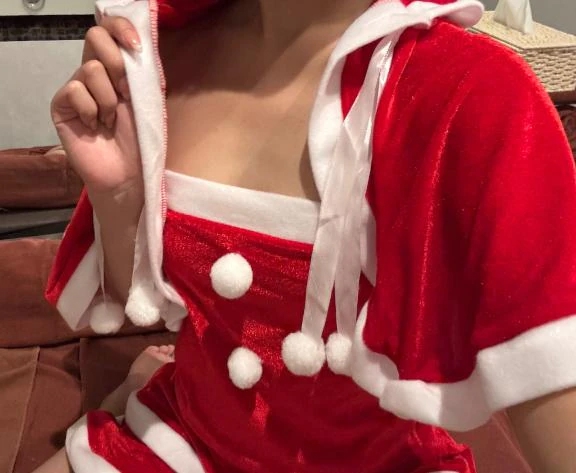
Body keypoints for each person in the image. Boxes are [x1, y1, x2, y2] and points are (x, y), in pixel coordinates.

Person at [35, 0, 576, 471]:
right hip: (182, 438)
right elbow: (139, 298)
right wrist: (118, 194)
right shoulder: (154, 52)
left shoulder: (474, 96)